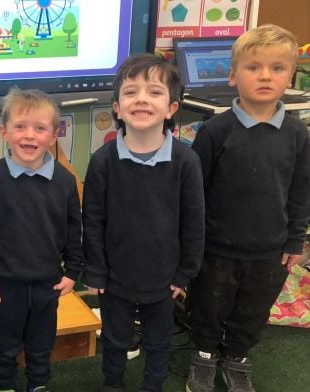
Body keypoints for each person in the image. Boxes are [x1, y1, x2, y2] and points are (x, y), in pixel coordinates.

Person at [186, 24, 310, 392]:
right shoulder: (215, 132)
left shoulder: (297, 134)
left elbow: (301, 190)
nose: (265, 76)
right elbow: (195, 192)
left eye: (276, 68)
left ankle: (237, 355)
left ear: (290, 76)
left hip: (270, 249)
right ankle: (205, 355)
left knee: (253, 310)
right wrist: (194, 240)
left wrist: (294, 240)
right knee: (208, 305)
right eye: (253, 67)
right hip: (216, 247)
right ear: (232, 75)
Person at [82, 53, 205, 392]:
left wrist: (184, 274)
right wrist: (95, 270)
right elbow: (92, 220)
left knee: (158, 341)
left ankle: (153, 387)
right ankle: (112, 384)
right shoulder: (103, 161)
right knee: (116, 337)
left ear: (171, 108)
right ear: (117, 108)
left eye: (154, 91)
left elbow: (194, 223)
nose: (141, 99)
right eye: (131, 91)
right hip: (114, 277)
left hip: (164, 279)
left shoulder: (186, 162)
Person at [0, 88, 85, 392]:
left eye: (39, 128)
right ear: (4, 132)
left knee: (40, 345)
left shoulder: (64, 181)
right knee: (5, 346)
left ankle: (38, 385)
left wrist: (73, 272)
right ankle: (5, 385)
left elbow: (74, 229)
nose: (29, 136)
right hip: (3, 287)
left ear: (54, 134)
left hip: (48, 284)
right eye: (20, 126)